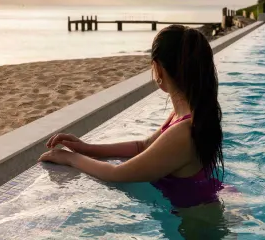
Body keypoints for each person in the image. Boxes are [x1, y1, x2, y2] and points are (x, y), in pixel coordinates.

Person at [39, 25, 224, 211]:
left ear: (159, 70)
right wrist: (86, 148)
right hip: (199, 210)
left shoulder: (182, 133)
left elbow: (117, 174)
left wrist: (71, 159)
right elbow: (142, 147)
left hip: (197, 224)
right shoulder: (186, 116)